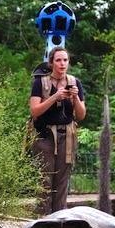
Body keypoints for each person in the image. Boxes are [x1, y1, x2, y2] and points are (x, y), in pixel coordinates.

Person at [29, 47, 86, 214]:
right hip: (45, 136)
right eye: (58, 60)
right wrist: (55, 97)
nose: (62, 64)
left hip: (66, 137)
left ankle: (59, 222)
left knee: (62, 183)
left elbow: (81, 115)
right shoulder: (40, 82)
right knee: (45, 181)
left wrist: (74, 97)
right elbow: (34, 111)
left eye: (65, 60)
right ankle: (42, 222)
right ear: (52, 62)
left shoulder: (75, 83)